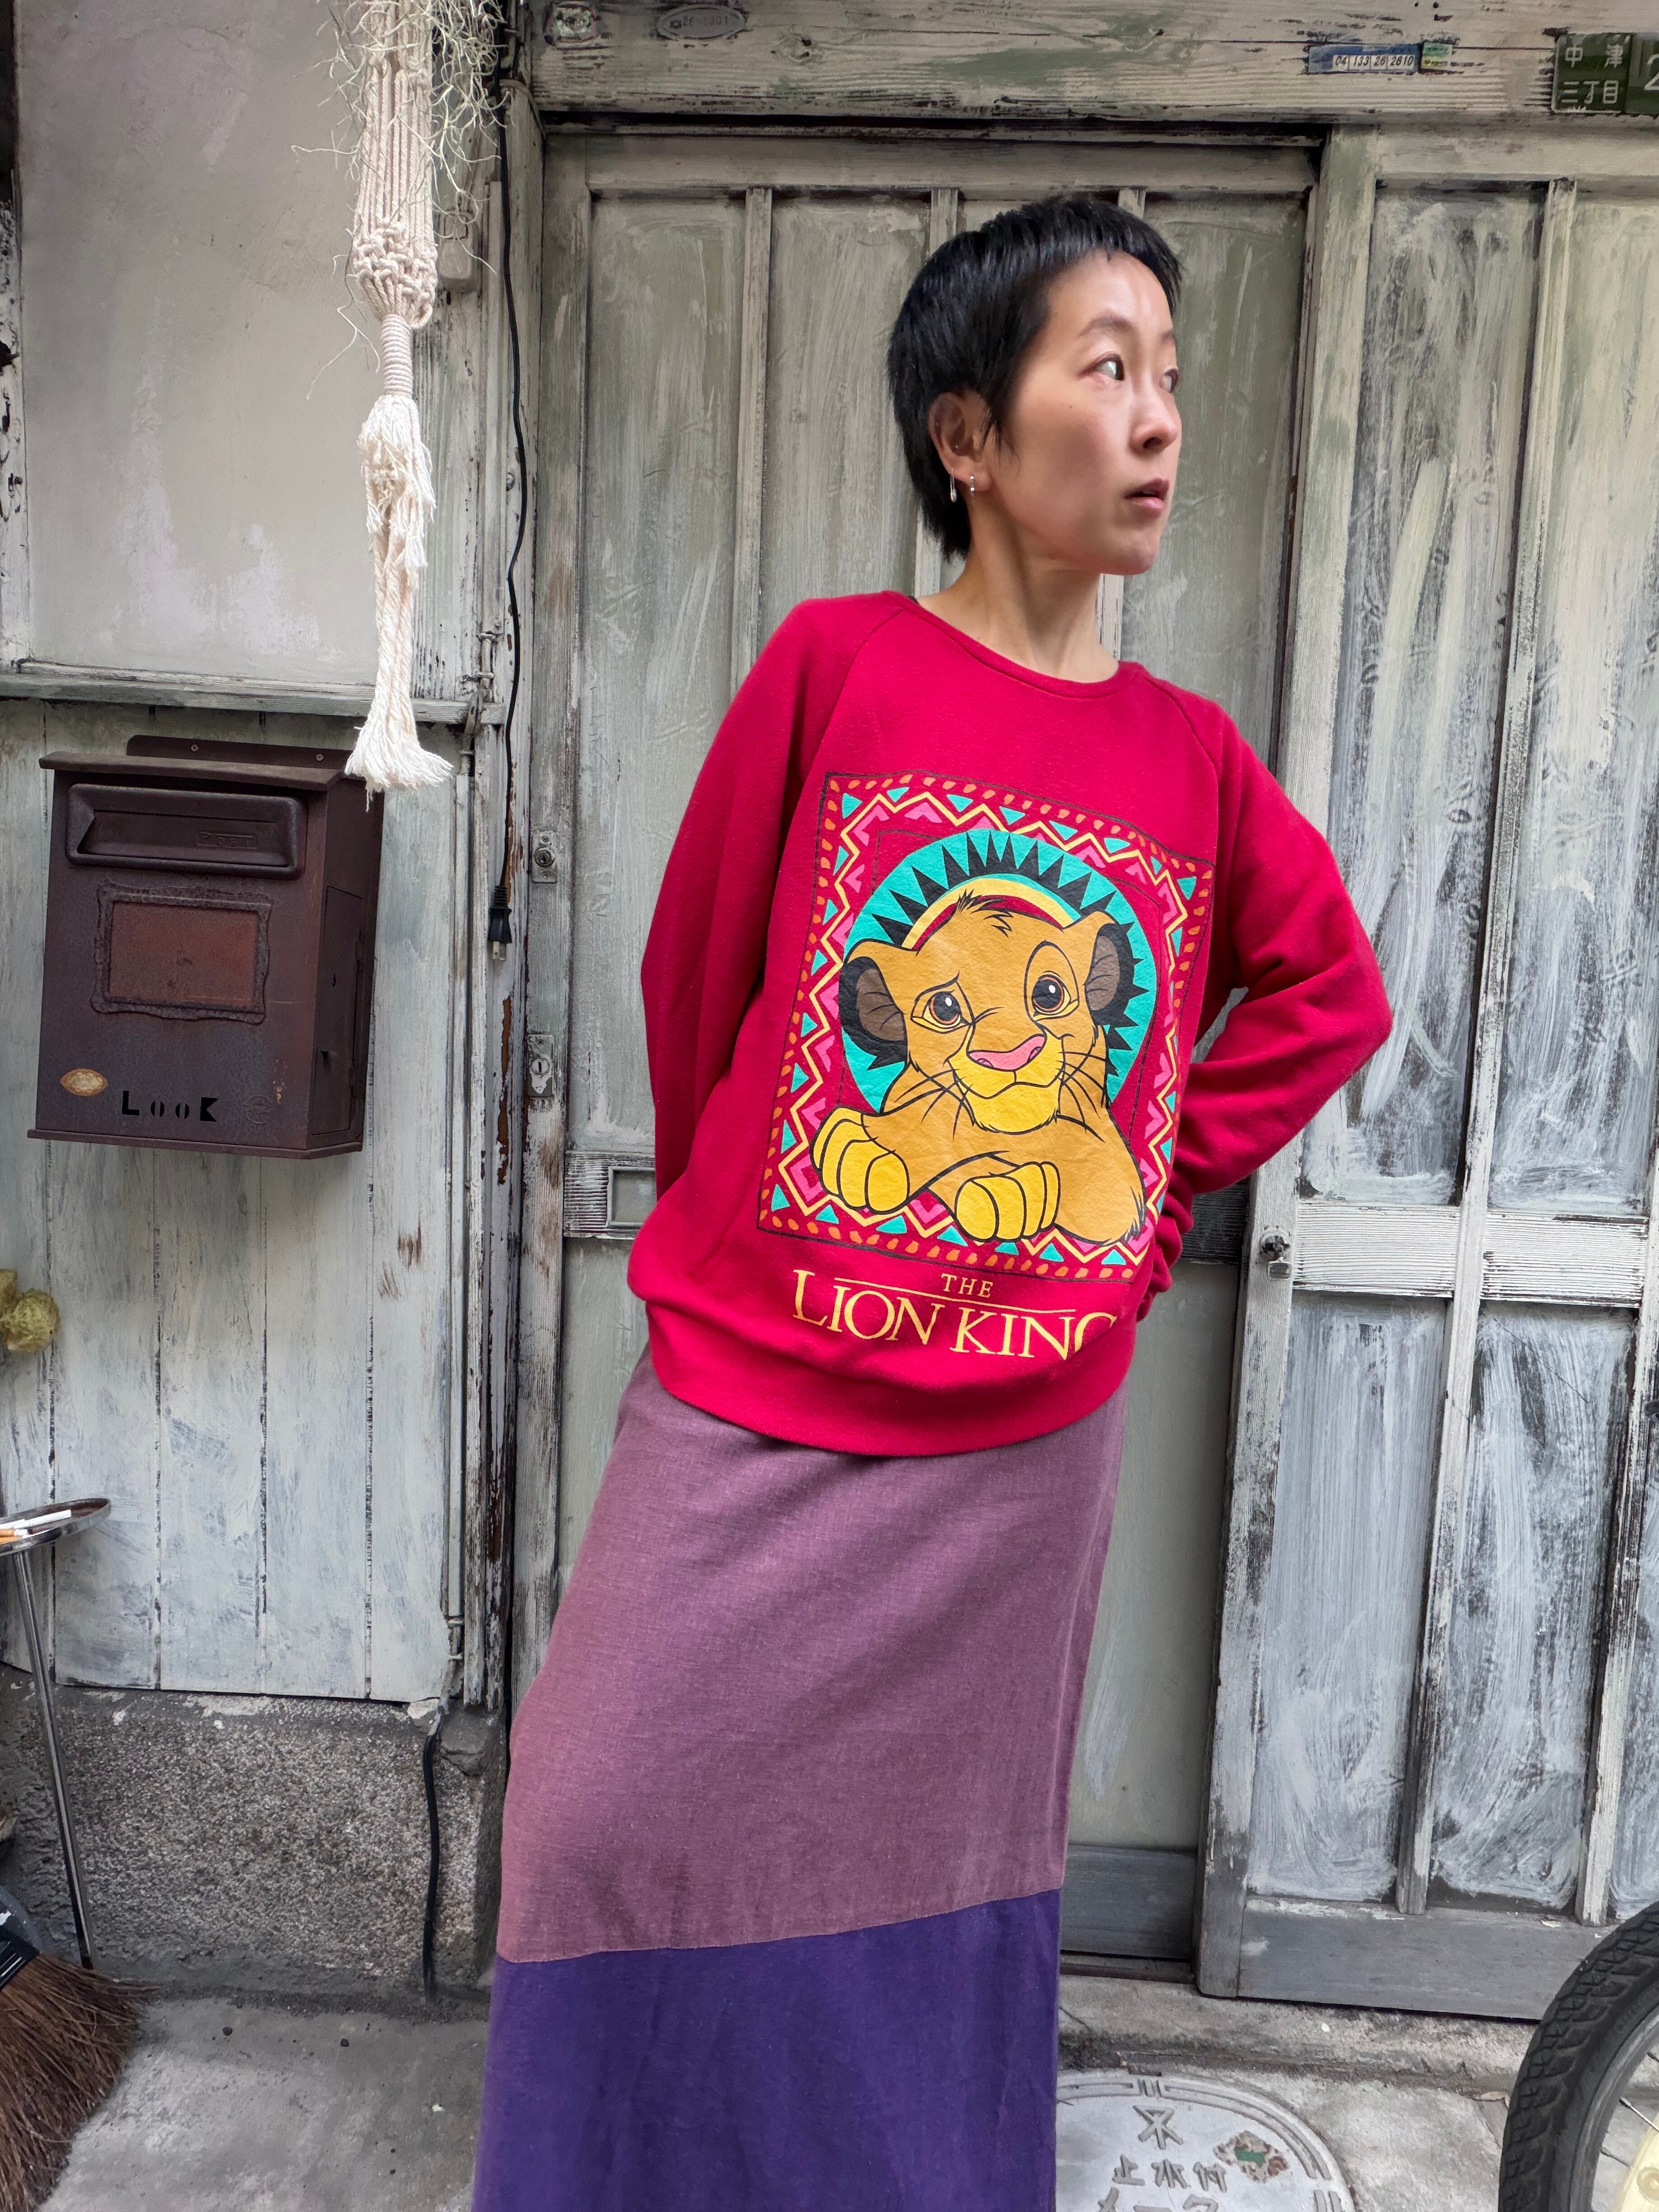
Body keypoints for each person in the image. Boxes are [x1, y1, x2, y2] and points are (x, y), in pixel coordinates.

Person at [471, 192, 1392, 2212]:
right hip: (752, 1397)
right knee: (598, 1815)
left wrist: (1139, 1196)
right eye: (1107, 366)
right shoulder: (840, 667)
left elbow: (1331, 993)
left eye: (1169, 375)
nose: (1159, 418)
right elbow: (699, 977)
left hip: (1014, 1459)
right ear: (967, 436)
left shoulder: (1190, 760)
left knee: (928, 1879)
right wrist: (759, 1220)